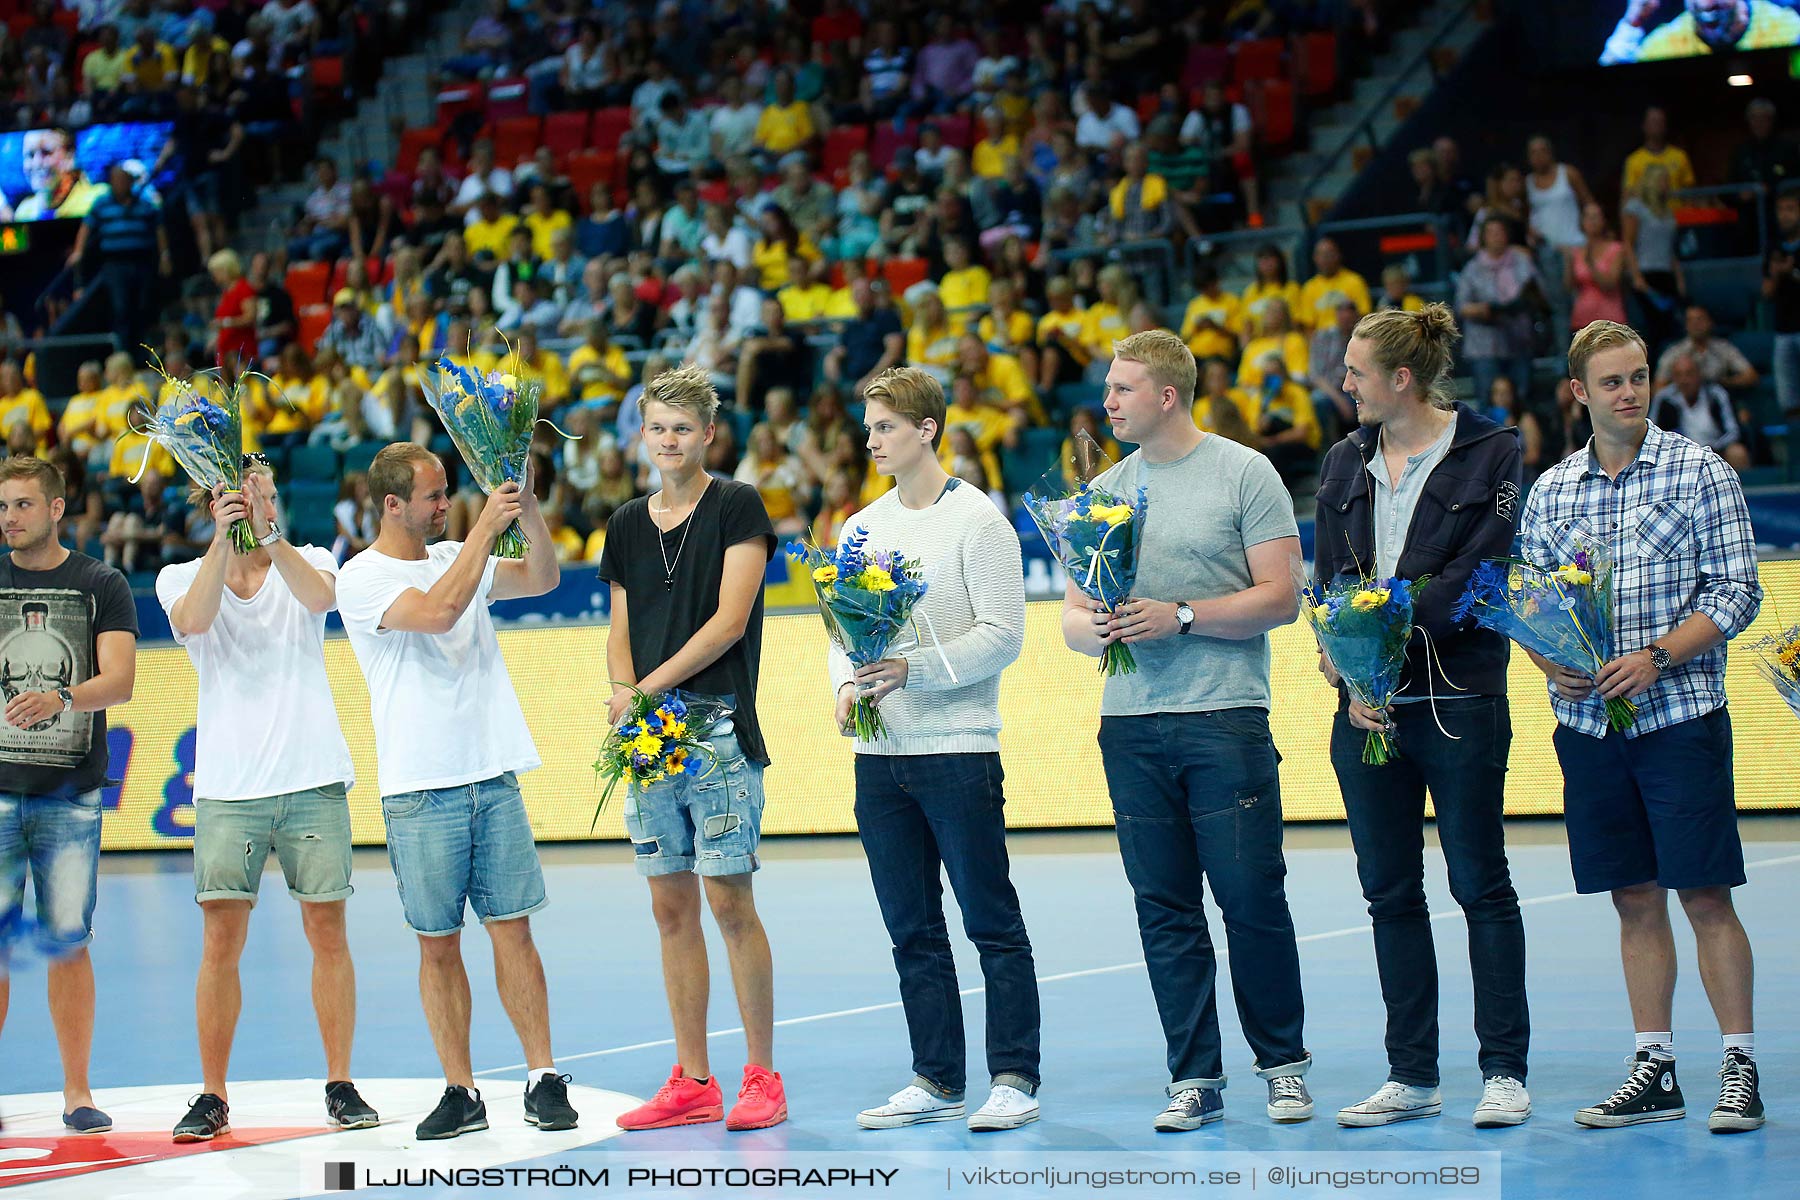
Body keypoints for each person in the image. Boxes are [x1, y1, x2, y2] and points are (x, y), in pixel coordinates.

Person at [1059, 331, 1313, 1131]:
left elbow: (1283, 596)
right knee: (1163, 908)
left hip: (1224, 719)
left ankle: (1283, 1065)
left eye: (1122, 389)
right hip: (1131, 726)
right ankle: (1194, 1076)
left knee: (1250, 899)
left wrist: (1184, 616)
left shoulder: (1245, 472)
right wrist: (1097, 627)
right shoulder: (1102, 492)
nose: (1108, 403)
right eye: (1108, 387)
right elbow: (1068, 619)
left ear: (1167, 395)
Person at [1521, 320, 1764, 1133]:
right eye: (1613, 381)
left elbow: (1736, 592)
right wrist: (1548, 659)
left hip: (1679, 720)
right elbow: (1532, 606)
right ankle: (1654, 1068)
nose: (1630, 392)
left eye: (1639, 377)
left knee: (1704, 895)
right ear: (1579, 393)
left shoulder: (1703, 474)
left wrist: (1657, 657)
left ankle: (1739, 1066)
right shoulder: (1551, 490)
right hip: (1587, 728)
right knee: (1633, 898)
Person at [1312, 306, 1531, 1128]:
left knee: (1481, 884)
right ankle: (1412, 1074)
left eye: (1356, 371)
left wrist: (1380, 637)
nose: (1345, 383)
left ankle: (1504, 1071)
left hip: (1459, 701)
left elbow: (1480, 574)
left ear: (1402, 380)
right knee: (1390, 893)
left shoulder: (1491, 449)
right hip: (1365, 710)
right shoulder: (1344, 459)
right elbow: (1332, 579)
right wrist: (1340, 656)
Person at [334, 442, 578, 1141]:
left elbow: (541, 576)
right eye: (433, 495)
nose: (445, 504)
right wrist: (480, 529)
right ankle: (461, 1089)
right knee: (438, 945)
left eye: (447, 492)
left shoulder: (452, 557)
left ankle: (542, 1076)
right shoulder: (362, 578)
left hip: (491, 772)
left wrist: (526, 509)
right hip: (419, 787)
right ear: (391, 504)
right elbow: (438, 613)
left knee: (514, 931)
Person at [834, 366, 1042, 1133]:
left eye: (885, 426)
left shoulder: (978, 522)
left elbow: (1003, 634)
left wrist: (911, 669)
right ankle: (936, 1077)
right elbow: (841, 628)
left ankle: (1015, 1075)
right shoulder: (860, 526)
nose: (871, 439)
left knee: (990, 919)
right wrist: (848, 686)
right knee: (911, 927)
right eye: (869, 426)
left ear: (926, 430)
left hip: (957, 749)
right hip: (880, 759)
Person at [154, 463, 379, 1141]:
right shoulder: (180, 576)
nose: (260, 507)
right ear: (214, 507)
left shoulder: (306, 559)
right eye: (245, 499)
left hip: (310, 778)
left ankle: (340, 1082)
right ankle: (212, 1093)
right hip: (228, 787)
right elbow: (192, 620)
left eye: (269, 496)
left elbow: (319, 601)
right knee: (220, 942)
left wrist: (269, 536)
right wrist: (225, 542)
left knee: (327, 933)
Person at [598, 364, 785, 1132]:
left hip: (714, 729)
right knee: (669, 907)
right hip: (649, 738)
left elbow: (729, 622)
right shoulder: (623, 524)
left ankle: (762, 1078)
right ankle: (693, 1079)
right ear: (642, 435)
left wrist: (647, 692)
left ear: (708, 434)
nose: (669, 440)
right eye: (657, 428)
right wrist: (625, 696)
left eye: (683, 428)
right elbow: (619, 631)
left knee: (728, 900)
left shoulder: (738, 505)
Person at [0, 455, 137, 1134]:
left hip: (68, 796)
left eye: (23, 505)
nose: (9, 519)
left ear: (56, 509)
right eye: (3, 507)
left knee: (67, 944)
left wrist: (59, 697)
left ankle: (77, 1093)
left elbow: (120, 681)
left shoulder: (99, 583)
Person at [1601, 0, 1800, 65]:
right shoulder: (1667, 41)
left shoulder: (1787, 28)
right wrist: (1632, 23)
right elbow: (1604, 90)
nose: (1705, 4)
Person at [1650, 354, 1753, 471]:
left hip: (1717, 450)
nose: (1684, 380)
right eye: (1679, 375)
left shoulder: (1716, 394)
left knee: (1737, 453)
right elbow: (1653, 433)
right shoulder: (1664, 398)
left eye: (1689, 374)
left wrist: (1711, 449)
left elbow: (1733, 431)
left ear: (1699, 375)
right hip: (1678, 454)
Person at [9, 127, 106, 221]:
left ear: (70, 155)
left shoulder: (98, 199)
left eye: (46, 152)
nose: (36, 163)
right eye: (30, 155)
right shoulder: (24, 211)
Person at [1766, 192, 1800, 415]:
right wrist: (1778, 274)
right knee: (1788, 400)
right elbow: (1766, 292)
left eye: (1790, 209)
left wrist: (1793, 272)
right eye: (1781, 210)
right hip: (1783, 330)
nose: (1784, 215)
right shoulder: (1774, 248)